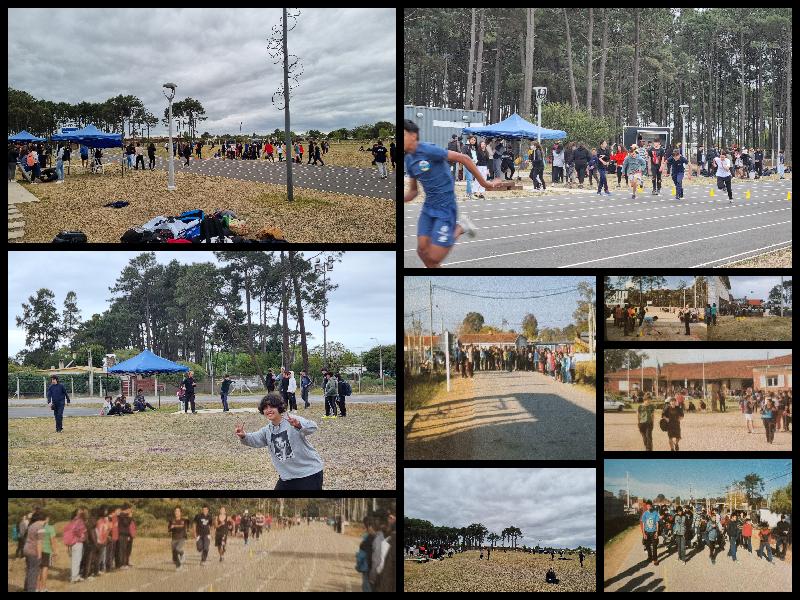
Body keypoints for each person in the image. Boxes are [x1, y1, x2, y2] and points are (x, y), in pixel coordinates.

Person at [404, 120, 500, 269]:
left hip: (445, 207)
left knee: (434, 257)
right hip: (428, 208)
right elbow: (413, 191)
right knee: (422, 251)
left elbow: (464, 158)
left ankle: (461, 227)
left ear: (413, 135)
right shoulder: (409, 160)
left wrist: (485, 184)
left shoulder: (428, 150)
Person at [235, 392, 324, 490]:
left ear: (279, 407)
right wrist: (244, 436)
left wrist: (298, 425)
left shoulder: (292, 420)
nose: (268, 410)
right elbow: (255, 439)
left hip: (309, 473)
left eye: (272, 407)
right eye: (265, 408)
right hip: (287, 477)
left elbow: (313, 427)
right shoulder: (267, 430)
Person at [22, 510, 48, 592]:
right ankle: (31, 590)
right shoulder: (40, 527)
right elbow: (39, 542)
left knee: (29, 570)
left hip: (26, 549)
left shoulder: (31, 525)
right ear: (45, 518)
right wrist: (39, 555)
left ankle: (26, 589)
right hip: (33, 551)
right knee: (34, 573)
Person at [63, 507, 88, 583]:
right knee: (77, 560)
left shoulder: (72, 521)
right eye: (81, 511)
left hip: (72, 542)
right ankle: (74, 577)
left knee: (75, 560)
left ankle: (75, 576)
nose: (82, 512)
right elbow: (79, 531)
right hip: (77, 542)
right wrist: (82, 536)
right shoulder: (79, 521)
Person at [641, 501, 660, 565]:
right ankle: (649, 557)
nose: (649, 507)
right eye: (647, 506)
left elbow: (657, 523)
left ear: (652, 506)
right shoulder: (645, 514)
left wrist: (657, 532)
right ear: (646, 506)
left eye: (650, 506)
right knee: (647, 546)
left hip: (653, 532)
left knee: (654, 546)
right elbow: (643, 524)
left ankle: (655, 559)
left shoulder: (655, 513)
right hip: (647, 532)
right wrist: (644, 533)